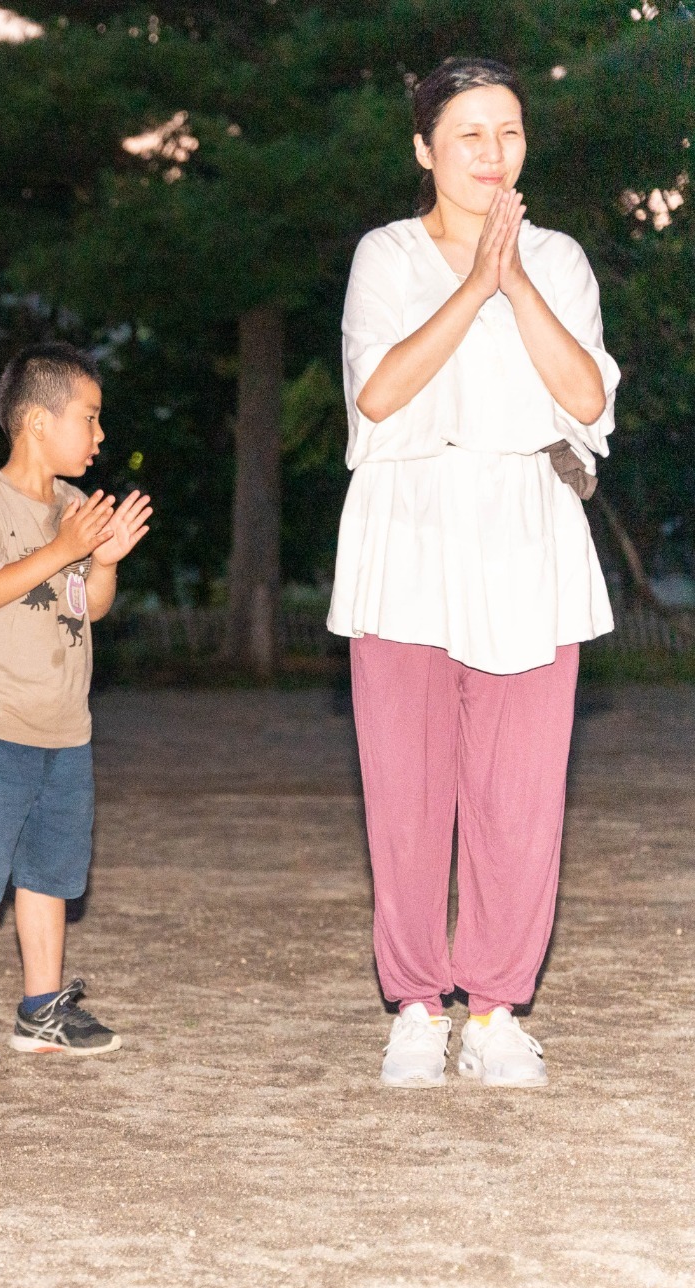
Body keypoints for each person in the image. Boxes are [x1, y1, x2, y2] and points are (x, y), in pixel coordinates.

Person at [329, 58, 618, 1090]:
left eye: (507, 133)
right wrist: (471, 285)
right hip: (407, 536)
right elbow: (378, 392)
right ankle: (413, 1005)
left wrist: (516, 278)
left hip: (525, 540)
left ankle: (494, 1010)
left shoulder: (561, 259)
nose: (491, 155)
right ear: (423, 149)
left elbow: (583, 396)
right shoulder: (385, 255)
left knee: (518, 796)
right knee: (405, 790)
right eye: (467, 136)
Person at [0, 344, 151, 1073]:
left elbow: (90, 608)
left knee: (50, 875)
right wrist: (63, 548)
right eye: (88, 418)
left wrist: (105, 558)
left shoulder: (74, 510)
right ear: (35, 422)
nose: (99, 435)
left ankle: (42, 1010)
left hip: (66, 726)